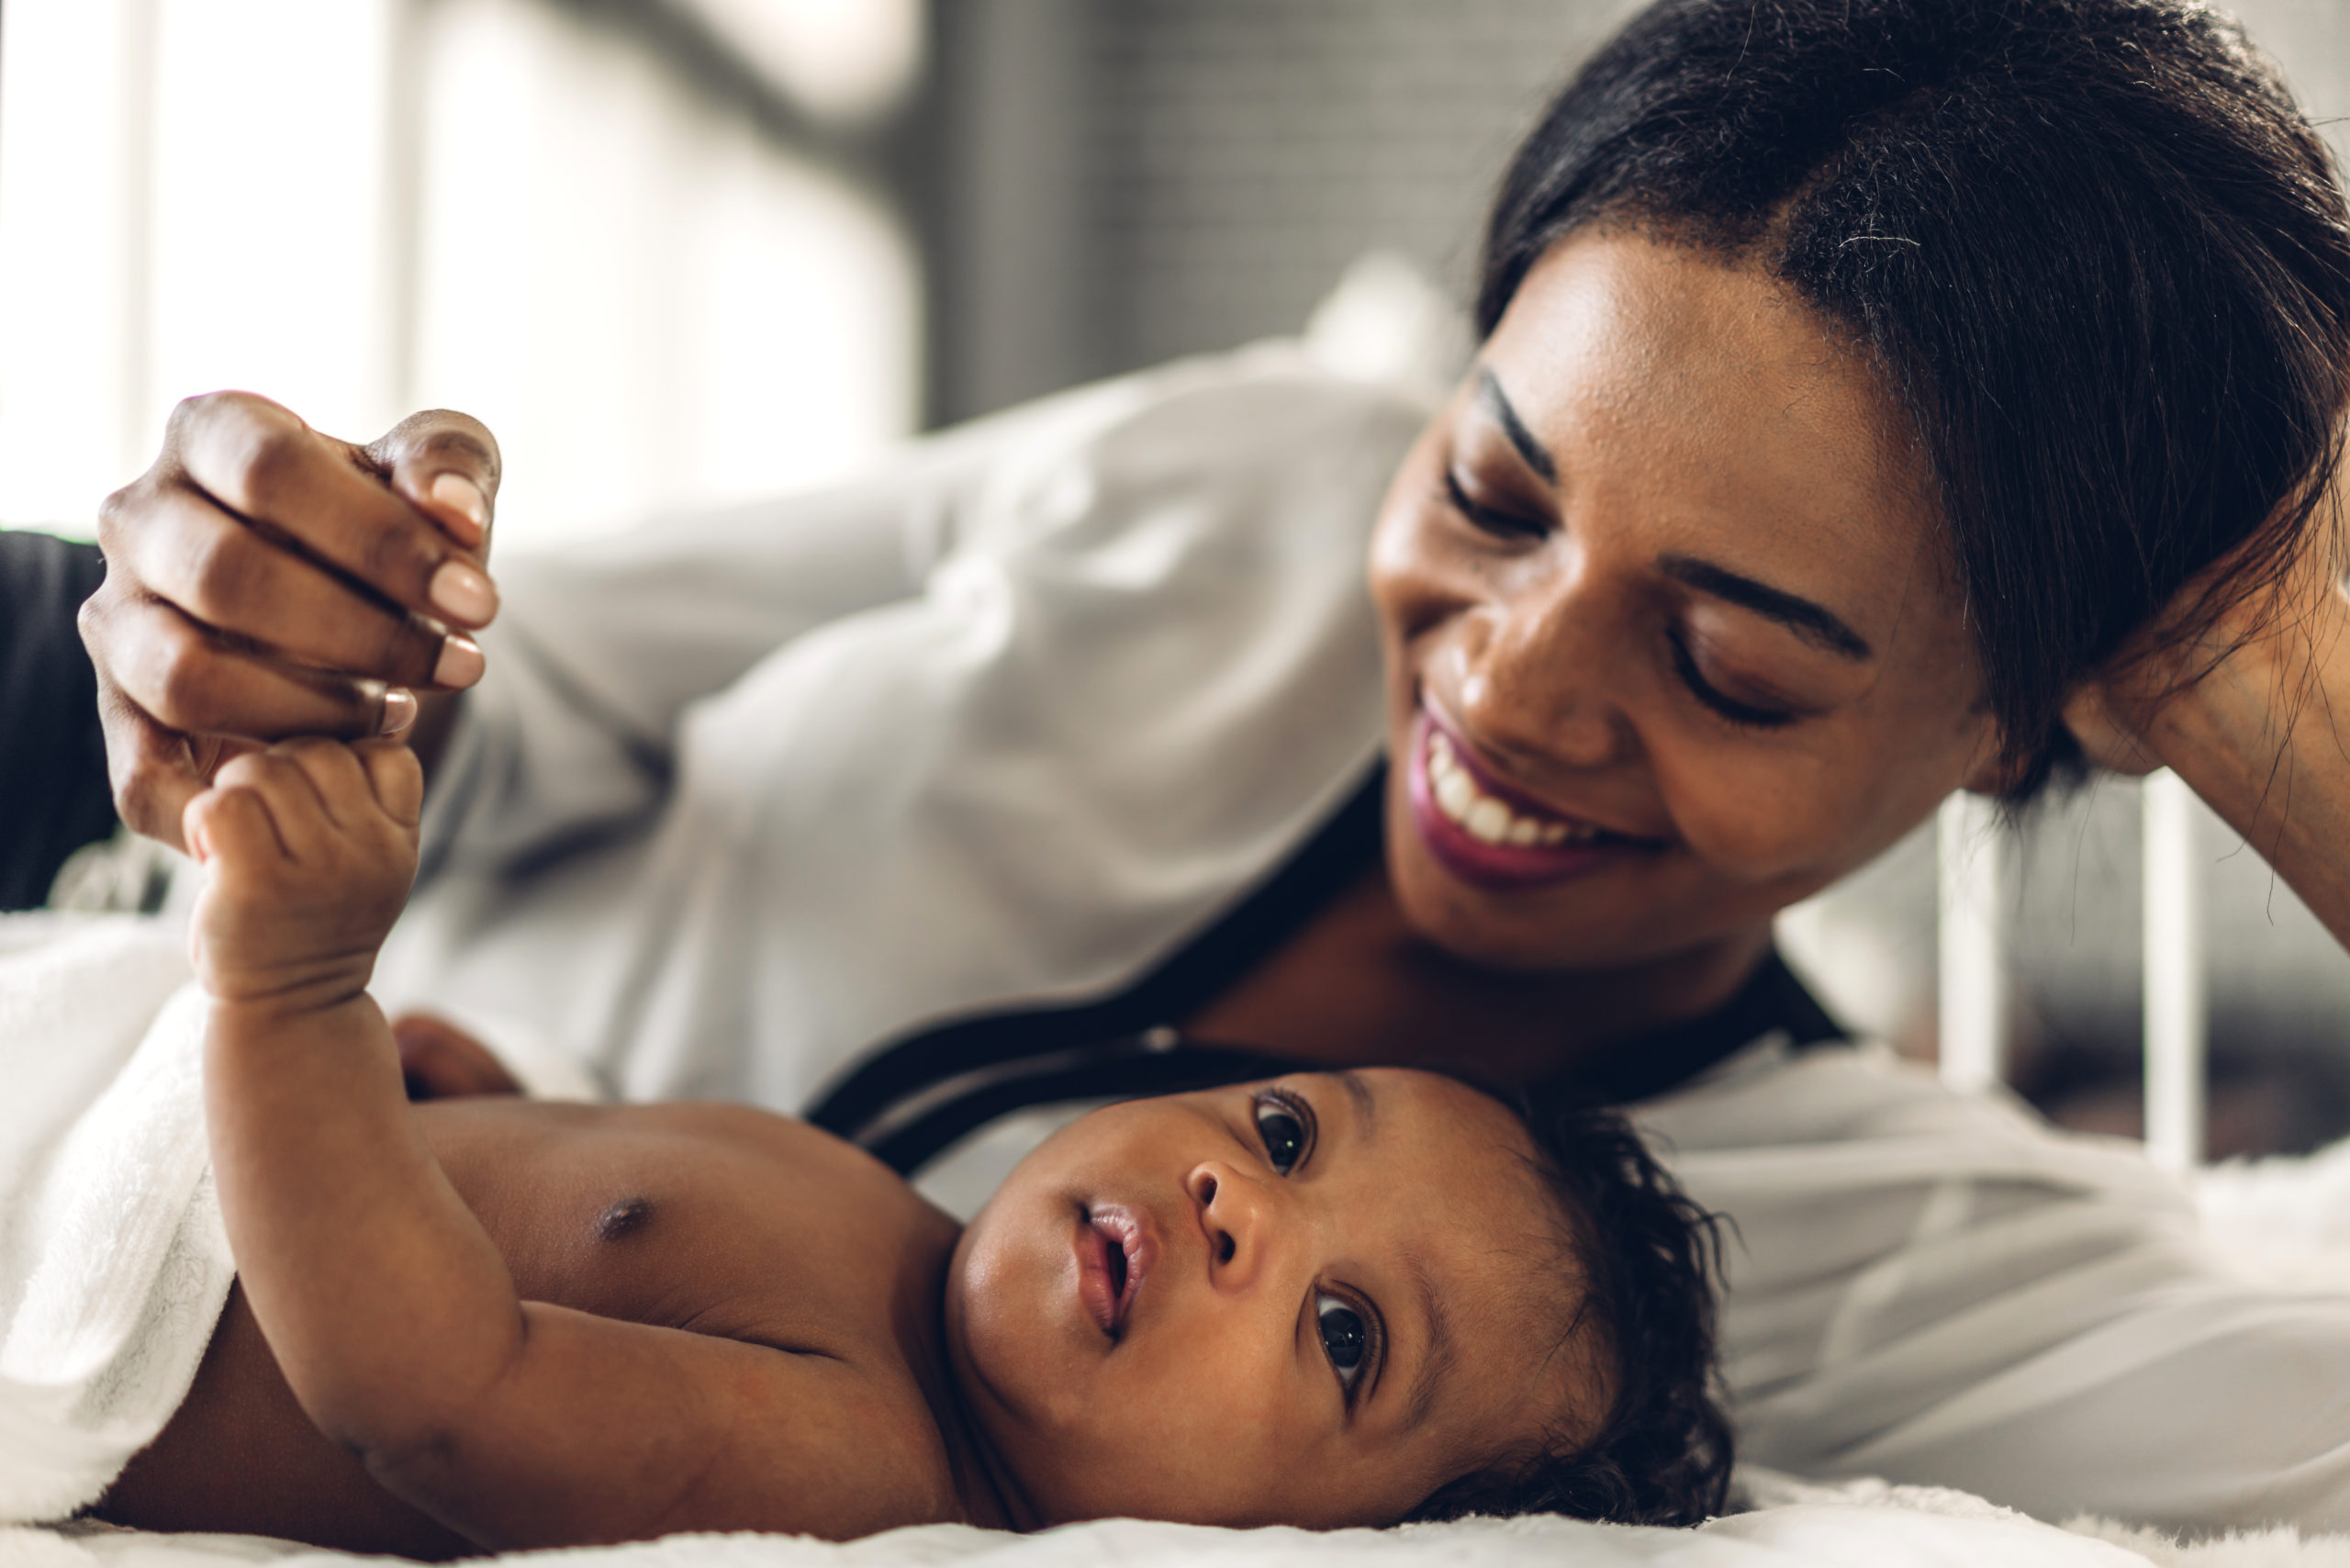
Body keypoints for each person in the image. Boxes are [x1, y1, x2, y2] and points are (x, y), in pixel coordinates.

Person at [41, 0, 2350, 1533]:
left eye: (1727, 662)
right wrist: (329, 610)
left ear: (2028, 716)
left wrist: (2257, 640)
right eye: (1493, 489)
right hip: (149, 850)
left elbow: (431, 1388)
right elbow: (543, 679)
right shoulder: (1257, 471)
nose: (1506, 687)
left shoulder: (1889, 1253)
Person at [81, 733, 1726, 1556]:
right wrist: (477, 1096)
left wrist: (297, 995)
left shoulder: (857, 1457)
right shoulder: (891, 1230)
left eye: (1347, 1335)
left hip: (87, 1263)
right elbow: (614, 1224)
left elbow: (437, 1393)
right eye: (1289, 1133)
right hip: (116, 1069)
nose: (1243, 1205)